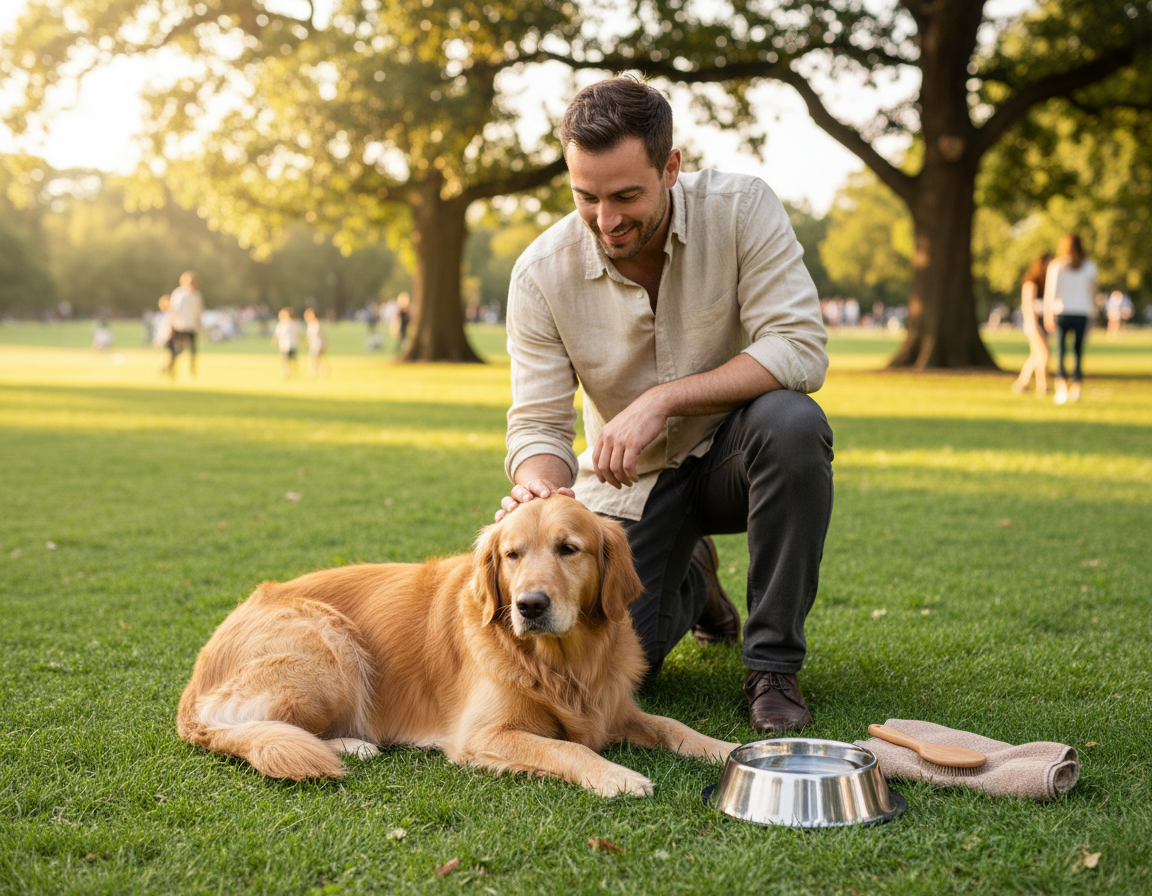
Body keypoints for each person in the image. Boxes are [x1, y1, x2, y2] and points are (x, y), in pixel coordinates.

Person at [497, 77, 833, 733]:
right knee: (629, 660)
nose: (607, 220)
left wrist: (664, 400)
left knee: (794, 424)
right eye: (585, 197)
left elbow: (798, 346)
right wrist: (539, 489)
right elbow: (538, 425)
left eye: (627, 196)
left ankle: (771, 669)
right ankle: (695, 582)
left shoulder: (741, 210)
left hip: (738, 454)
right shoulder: (540, 273)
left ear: (671, 167)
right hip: (631, 486)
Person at [1043, 233, 1097, 405]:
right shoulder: (1089, 266)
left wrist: (1048, 313)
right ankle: (1076, 388)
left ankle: (1061, 388)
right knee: (1078, 352)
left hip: (1062, 312)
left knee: (1060, 351)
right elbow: (1093, 292)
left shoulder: (1056, 265)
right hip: (1082, 313)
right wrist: (1094, 314)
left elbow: (1050, 292)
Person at [1011, 253, 1052, 397]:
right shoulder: (1031, 283)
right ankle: (1043, 386)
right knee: (1044, 354)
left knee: (1036, 355)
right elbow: (1027, 306)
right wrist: (1034, 325)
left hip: (1041, 323)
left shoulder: (1046, 284)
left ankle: (1022, 383)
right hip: (1032, 323)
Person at [167, 271, 204, 376]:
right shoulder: (178, 293)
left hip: (191, 326)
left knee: (192, 350)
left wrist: (200, 325)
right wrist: (170, 325)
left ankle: (192, 370)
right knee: (178, 350)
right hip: (179, 326)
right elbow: (172, 310)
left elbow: (198, 312)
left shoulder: (196, 295)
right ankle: (171, 367)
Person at [272, 307, 303, 378]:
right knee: (287, 360)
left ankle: (291, 373)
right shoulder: (282, 324)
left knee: (290, 360)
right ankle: (288, 373)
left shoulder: (293, 324)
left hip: (291, 345)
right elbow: (277, 334)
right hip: (284, 345)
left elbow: (299, 333)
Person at [304, 307, 330, 377]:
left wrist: (308, 338)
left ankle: (316, 372)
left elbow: (313, 334)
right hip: (317, 344)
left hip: (317, 344)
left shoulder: (314, 323)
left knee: (315, 359)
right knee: (318, 358)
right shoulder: (314, 323)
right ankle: (321, 371)